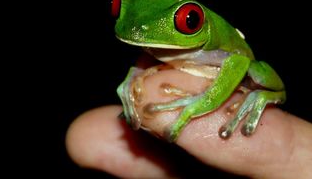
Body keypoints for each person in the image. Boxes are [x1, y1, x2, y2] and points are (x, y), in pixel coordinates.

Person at [66, 69, 312, 178]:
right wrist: (131, 80)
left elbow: (239, 62)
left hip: (239, 66)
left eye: (188, 19)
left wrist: (200, 104)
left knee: (258, 73)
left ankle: (269, 93)